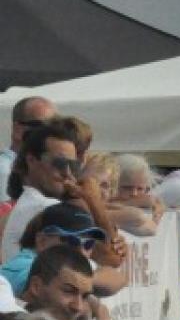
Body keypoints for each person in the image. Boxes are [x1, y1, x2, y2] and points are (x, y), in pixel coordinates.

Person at [0, 119, 87, 260]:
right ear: (31, 161)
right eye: (60, 163)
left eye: (73, 165)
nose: (68, 174)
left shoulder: (29, 202)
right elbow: (109, 256)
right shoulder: (44, 206)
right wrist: (91, 199)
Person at [2, 204, 107, 298]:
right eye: (72, 241)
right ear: (42, 241)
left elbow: (113, 277)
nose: (81, 251)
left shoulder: (66, 265)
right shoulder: (21, 268)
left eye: (89, 244)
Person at [0, 95, 55, 202]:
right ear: (17, 129)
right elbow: (8, 211)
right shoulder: (5, 170)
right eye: (43, 126)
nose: (51, 132)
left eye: (55, 125)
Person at [109, 154, 165, 236]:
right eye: (127, 188)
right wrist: (133, 203)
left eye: (140, 189)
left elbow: (151, 230)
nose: (134, 194)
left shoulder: (151, 201)